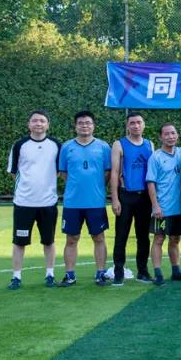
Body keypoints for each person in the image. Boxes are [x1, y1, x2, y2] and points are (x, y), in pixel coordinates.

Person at [6, 109, 61, 289]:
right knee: (19, 242)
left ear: (48, 125)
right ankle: (16, 277)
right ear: (29, 124)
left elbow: (59, 170)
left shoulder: (56, 145)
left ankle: (50, 275)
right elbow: (13, 172)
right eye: (35, 120)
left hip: (48, 203)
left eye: (42, 121)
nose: (38, 123)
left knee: (49, 241)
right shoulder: (19, 145)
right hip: (24, 203)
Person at [56, 110, 112, 287]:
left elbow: (108, 172)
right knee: (71, 239)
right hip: (73, 202)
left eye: (88, 123)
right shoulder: (67, 147)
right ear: (75, 126)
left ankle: (100, 273)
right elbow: (63, 172)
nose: (84, 126)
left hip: (96, 202)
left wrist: (96, 186)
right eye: (80, 123)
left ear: (93, 126)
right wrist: (77, 185)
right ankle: (70, 275)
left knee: (99, 237)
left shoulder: (103, 147)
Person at [110, 112, 154, 286]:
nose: (136, 126)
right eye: (132, 123)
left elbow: (154, 173)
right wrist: (115, 199)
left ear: (144, 125)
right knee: (121, 236)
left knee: (143, 237)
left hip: (145, 197)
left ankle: (142, 271)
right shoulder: (119, 144)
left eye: (139, 122)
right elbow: (114, 173)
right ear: (128, 126)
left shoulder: (150, 144)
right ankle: (118, 272)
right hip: (126, 196)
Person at [145, 122, 181, 284]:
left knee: (175, 239)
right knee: (159, 239)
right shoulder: (155, 157)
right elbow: (151, 183)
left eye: (173, 133)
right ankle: (158, 273)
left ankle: (176, 270)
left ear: (177, 135)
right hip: (162, 208)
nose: (170, 136)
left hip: (179, 207)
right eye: (166, 134)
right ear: (160, 137)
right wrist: (155, 206)